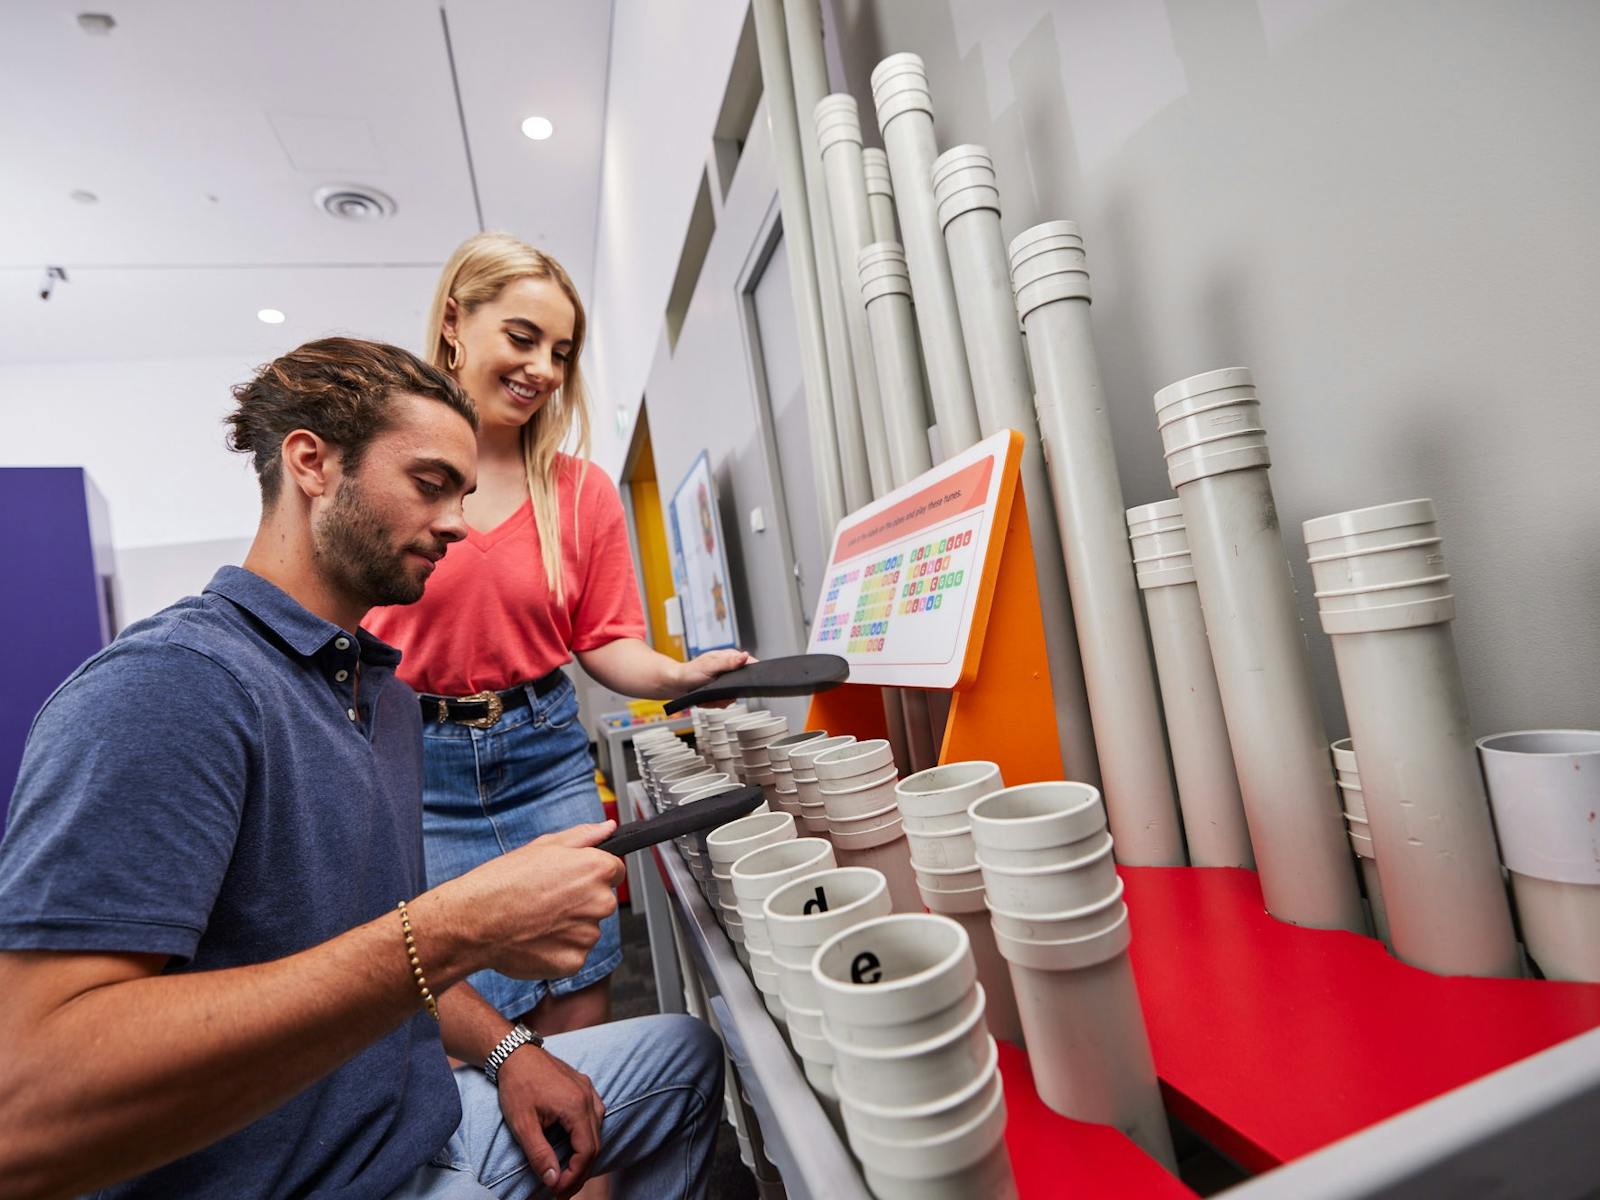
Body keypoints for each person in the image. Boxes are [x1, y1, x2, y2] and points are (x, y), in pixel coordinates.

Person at [0, 338, 722, 1200]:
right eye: (429, 484)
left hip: (413, 1118)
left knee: (681, 1060)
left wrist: (511, 1049)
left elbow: (367, 955)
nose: (458, 522)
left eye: (462, 492)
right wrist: (456, 927)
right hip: (313, 1177)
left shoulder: (380, 697)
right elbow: (27, 1108)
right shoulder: (172, 688)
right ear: (311, 463)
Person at [365, 233, 746, 1034]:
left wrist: (676, 677)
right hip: (415, 771)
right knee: (467, 1028)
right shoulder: (387, 464)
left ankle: (590, 1164)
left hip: (546, 759)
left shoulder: (581, 491)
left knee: (583, 1013)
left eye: (562, 352)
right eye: (522, 337)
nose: (543, 368)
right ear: (453, 323)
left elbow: (604, 639)